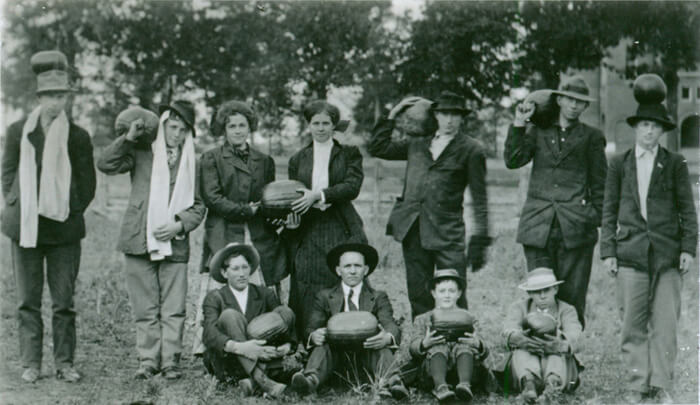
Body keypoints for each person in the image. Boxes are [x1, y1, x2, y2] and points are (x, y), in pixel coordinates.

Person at [599, 75, 697, 404]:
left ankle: (661, 384)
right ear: (635, 128)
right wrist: (608, 251)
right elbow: (608, 210)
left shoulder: (675, 164)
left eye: (655, 126)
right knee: (632, 324)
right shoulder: (619, 164)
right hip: (630, 253)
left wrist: (688, 249)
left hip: (667, 255)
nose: (649, 131)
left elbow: (688, 210)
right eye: (644, 125)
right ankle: (637, 385)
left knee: (666, 324)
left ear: (662, 130)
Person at [1, 50, 96, 383]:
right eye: (50, 96)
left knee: (63, 301)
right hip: (25, 229)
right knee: (27, 300)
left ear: (67, 98)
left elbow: (87, 185)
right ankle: (31, 363)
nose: (56, 102)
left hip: (63, 232)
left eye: (61, 96)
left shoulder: (78, 136)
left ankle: (64, 363)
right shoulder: (18, 132)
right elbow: (7, 171)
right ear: (39, 97)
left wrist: (67, 208)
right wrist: (18, 202)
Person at [97, 100, 205, 379]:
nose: (176, 135)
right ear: (162, 126)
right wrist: (128, 137)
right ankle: (147, 360)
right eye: (172, 127)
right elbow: (106, 164)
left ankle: (170, 361)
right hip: (138, 237)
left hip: (175, 242)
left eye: (182, 130)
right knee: (144, 305)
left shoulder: (193, 162)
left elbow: (199, 205)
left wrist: (179, 225)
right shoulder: (142, 152)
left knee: (173, 307)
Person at [368, 91, 490, 318]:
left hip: (447, 232)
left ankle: (457, 334)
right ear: (435, 115)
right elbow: (377, 147)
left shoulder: (471, 149)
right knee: (419, 292)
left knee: (452, 291)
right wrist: (392, 115)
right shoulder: (416, 143)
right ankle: (423, 335)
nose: (449, 120)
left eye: (455, 115)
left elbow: (480, 198)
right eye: (444, 114)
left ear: (462, 118)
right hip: (412, 227)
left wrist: (480, 237)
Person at [504, 76, 607, 328]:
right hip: (538, 227)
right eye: (569, 99)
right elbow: (513, 160)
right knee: (540, 296)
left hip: (576, 230)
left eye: (580, 101)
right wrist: (519, 122)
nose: (574, 105)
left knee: (572, 297)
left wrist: (590, 218)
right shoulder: (537, 131)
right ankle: (539, 348)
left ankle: (570, 350)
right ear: (559, 100)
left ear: (585, 106)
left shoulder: (592, 137)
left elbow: (600, 185)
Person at [193, 100, 287, 355]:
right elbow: (212, 198)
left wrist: (275, 215)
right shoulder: (211, 158)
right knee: (224, 282)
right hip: (224, 232)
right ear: (224, 130)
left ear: (250, 127)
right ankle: (215, 346)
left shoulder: (264, 161)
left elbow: (270, 197)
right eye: (231, 126)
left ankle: (264, 341)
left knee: (259, 283)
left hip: (258, 234)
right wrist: (246, 210)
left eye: (242, 125)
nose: (237, 130)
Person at [285, 100, 367, 340]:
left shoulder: (349, 153)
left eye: (326, 123)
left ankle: (343, 335)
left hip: (339, 224)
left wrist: (319, 195)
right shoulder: (298, 159)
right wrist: (292, 220)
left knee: (338, 276)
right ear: (308, 125)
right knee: (305, 279)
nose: (320, 128)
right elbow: (293, 193)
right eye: (315, 123)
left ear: (334, 125)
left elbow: (352, 187)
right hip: (308, 227)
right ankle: (308, 340)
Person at [289, 243, 408, 399]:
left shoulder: (378, 296)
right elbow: (311, 328)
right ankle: (310, 381)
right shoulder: (324, 296)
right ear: (339, 270)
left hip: (367, 354)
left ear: (366, 270)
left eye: (357, 266)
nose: (352, 271)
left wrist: (387, 337)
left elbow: (390, 324)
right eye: (347, 266)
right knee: (323, 345)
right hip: (334, 359)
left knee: (380, 343)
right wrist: (314, 335)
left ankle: (394, 382)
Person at [201, 243, 296, 398]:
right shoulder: (215, 297)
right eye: (235, 269)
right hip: (229, 360)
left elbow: (281, 324)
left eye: (245, 267)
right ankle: (263, 381)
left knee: (284, 311)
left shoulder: (264, 294)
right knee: (229, 315)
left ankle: (250, 384)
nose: (242, 274)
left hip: (262, 355)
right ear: (224, 273)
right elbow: (209, 333)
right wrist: (240, 347)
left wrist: (287, 345)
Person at [405, 269, 489, 402]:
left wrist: (477, 343)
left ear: (459, 293)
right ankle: (440, 387)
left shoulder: (469, 318)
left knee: (464, 346)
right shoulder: (423, 319)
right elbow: (413, 348)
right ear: (434, 293)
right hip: (432, 371)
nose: (447, 295)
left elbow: (485, 350)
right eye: (442, 291)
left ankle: (464, 386)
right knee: (438, 345)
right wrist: (424, 343)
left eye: (452, 291)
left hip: (466, 369)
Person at [500, 268, 582, 404]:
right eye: (537, 291)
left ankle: (552, 389)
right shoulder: (519, 308)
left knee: (558, 353)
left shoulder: (567, 310)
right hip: (525, 368)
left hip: (559, 370)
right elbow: (508, 330)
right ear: (529, 293)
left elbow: (576, 336)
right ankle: (529, 387)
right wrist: (518, 338)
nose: (542, 296)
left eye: (547, 290)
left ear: (555, 289)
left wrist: (561, 344)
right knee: (520, 350)